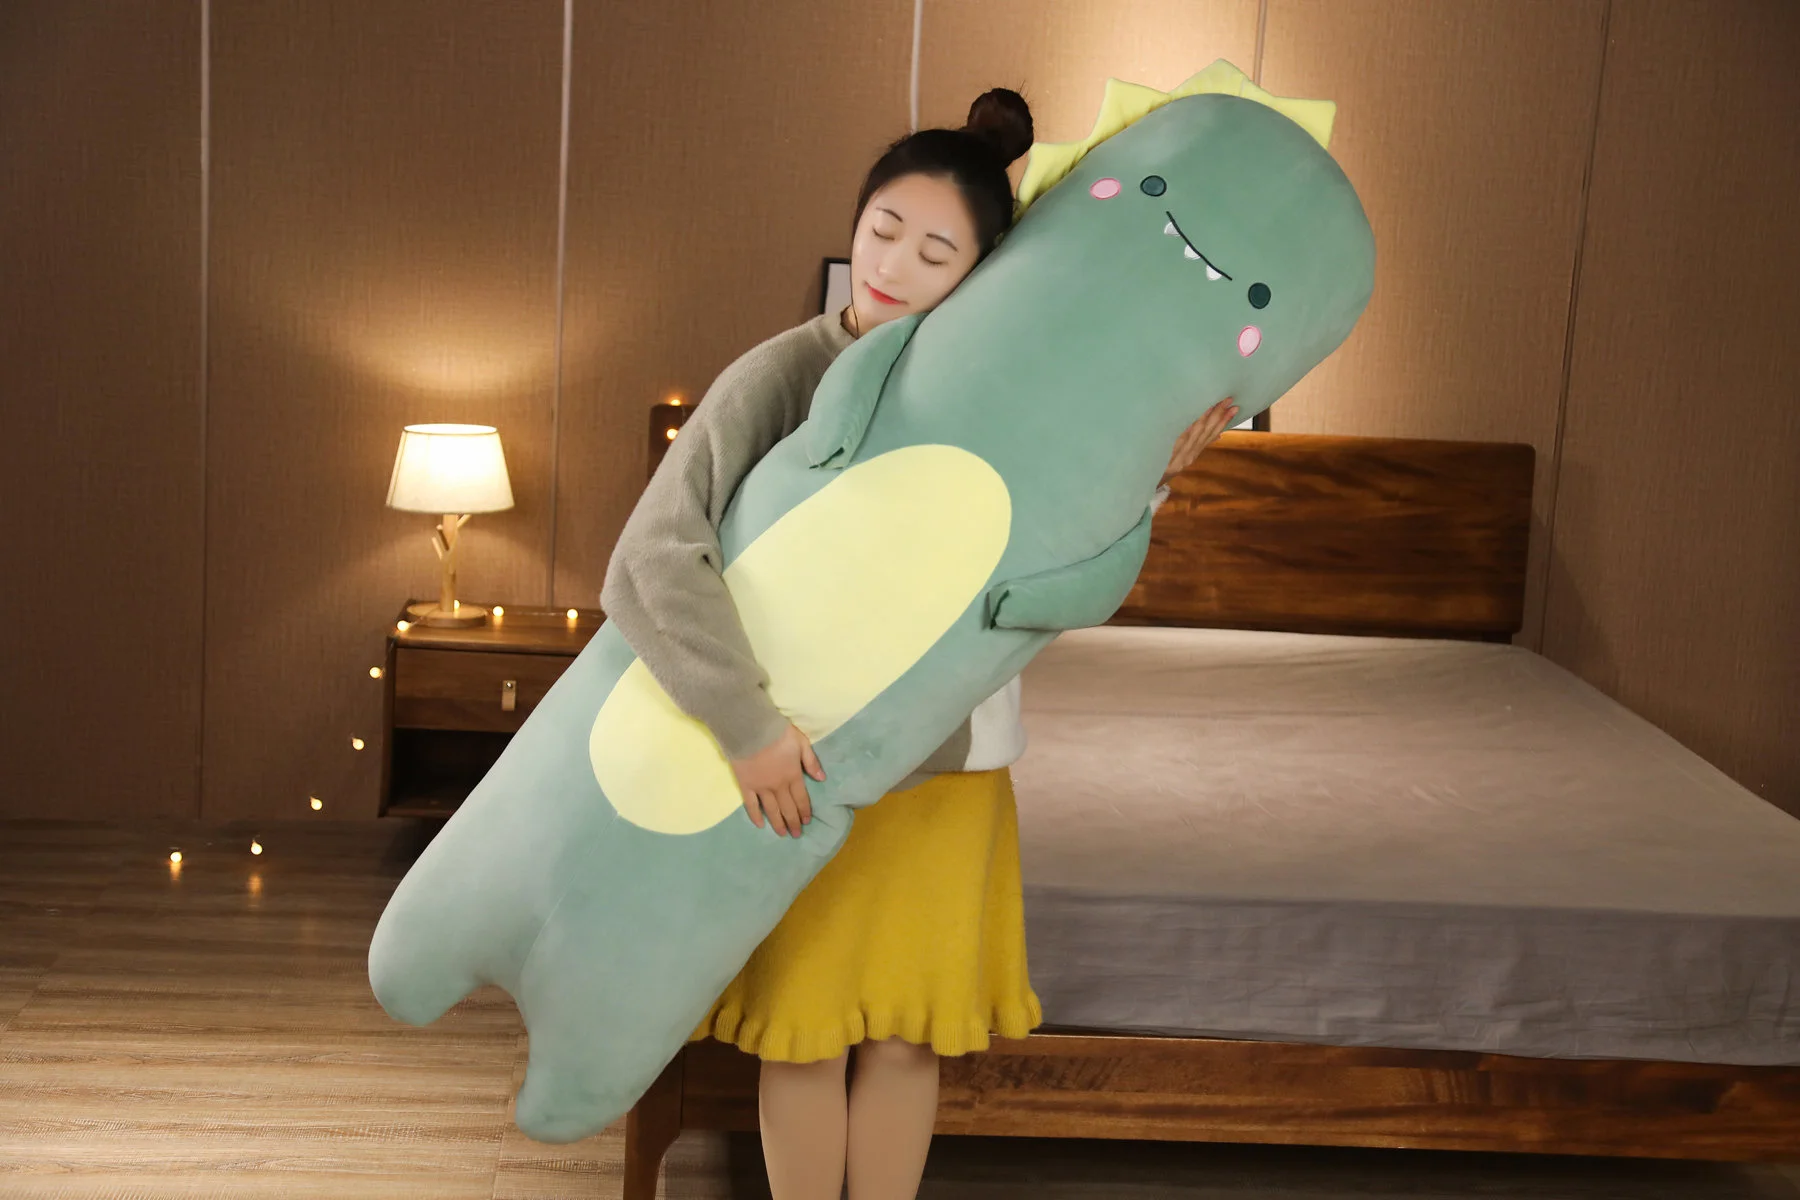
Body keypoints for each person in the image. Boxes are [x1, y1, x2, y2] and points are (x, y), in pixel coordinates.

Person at [601, 89, 1238, 1200]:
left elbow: (1059, 570)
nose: (893, 266)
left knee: (905, 1037)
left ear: (983, 272)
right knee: (803, 1033)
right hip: (802, 763)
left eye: (936, 252)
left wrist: (1149, 476)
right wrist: (747, 727)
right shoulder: (780, 375)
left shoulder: (1010, 397)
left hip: (952, 769)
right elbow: (650, 560)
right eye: (881, 230)